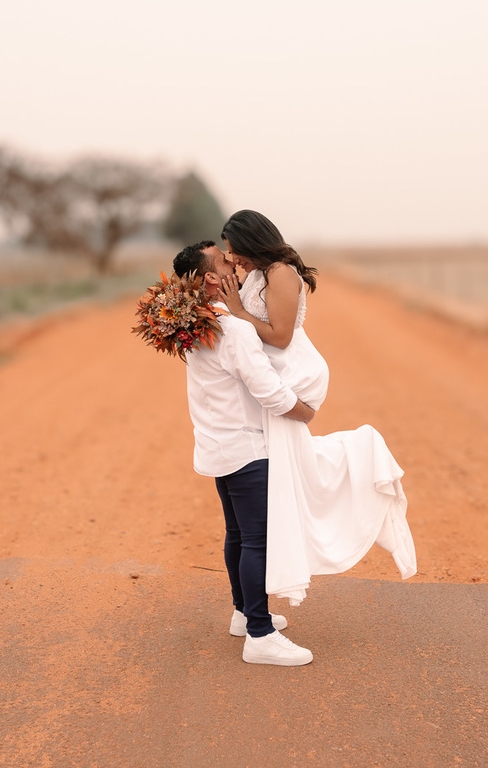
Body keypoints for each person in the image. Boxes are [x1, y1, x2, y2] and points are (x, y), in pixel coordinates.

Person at [218, 210, 417, 605]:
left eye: (234, 249)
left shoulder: (281, 273)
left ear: (253, 241)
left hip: (295, 370)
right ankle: (251, 606)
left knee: (294, 467)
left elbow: (279, 336)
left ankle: (361, 458)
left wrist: (237, 314)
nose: (231, 257)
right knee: (294, 465)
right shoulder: (256, 273)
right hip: (273, 372)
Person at [171, 240, 316, 667]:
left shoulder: (194, 325)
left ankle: (243, 612)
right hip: (248, 448)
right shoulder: (232, 329)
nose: (234, 262)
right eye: (224, 261)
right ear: (213, 279)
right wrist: (304, 412)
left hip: (217, 445)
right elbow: (267, 390)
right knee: (257, 540)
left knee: (238, 535)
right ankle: (259, 634)